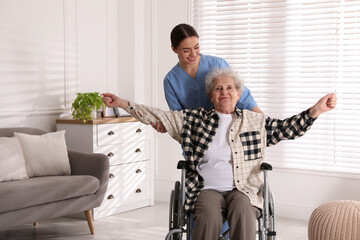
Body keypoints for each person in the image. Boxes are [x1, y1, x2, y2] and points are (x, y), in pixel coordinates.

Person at [102, 67, 336, 240]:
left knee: (244, 212)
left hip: (243, 188)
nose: (224, 92)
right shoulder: (194, 119)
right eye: (218, 88)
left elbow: (287, 129)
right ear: (211, 95)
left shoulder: (255, 121)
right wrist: (123, 103)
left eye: (229, 88)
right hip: (206, 188)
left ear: (238, 94)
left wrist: (316, 110)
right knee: (206, 216)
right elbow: (158, 115)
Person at [153, 23, 263, 133]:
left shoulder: (217, 64)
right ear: (174, 49)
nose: (193, 54)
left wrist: (263, 120)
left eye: (196, 47)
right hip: (196, 138)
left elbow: (243, 97)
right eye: (186, 51)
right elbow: (178, 118)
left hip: (227, 132)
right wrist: (167, 126)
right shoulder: (171, 80)